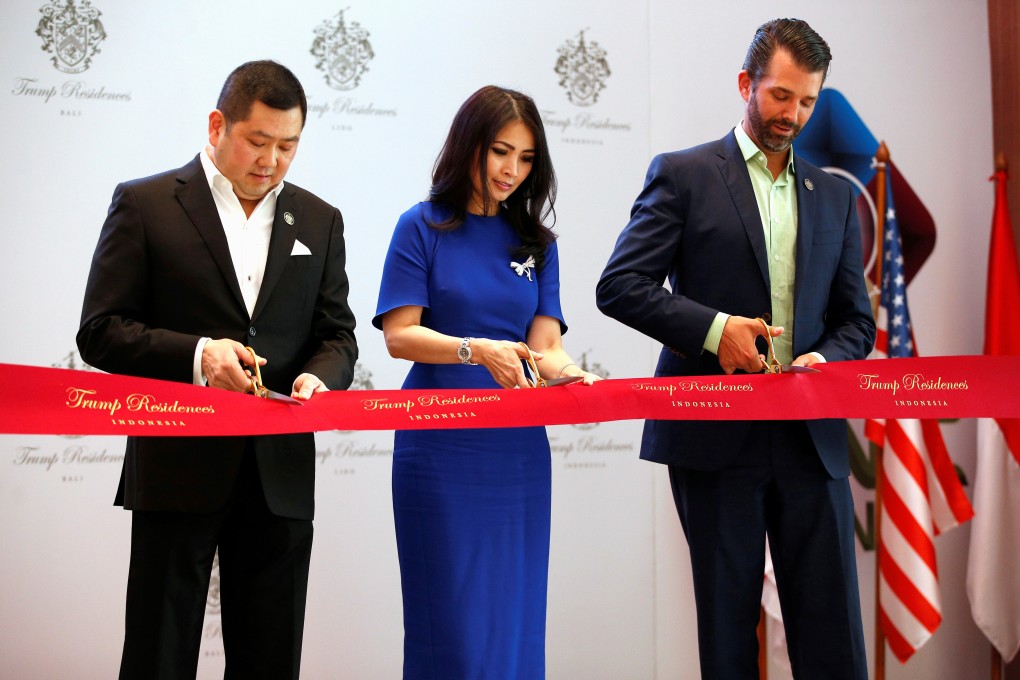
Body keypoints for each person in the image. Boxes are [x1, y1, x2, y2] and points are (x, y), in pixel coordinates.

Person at [596, 19, 874, 680]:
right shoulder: (685, 174)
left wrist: (823, 362)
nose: (793, 115)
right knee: (727, 637)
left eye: (807, 101)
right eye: (781, 96)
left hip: (812, 437)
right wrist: (718, 332)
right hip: (715, 436)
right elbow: (620, 285)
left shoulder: (834, 196)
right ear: (747, 84)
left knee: (833, 635)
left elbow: (855, 323)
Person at [77, 60, 358, 679]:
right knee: (159, 653)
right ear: (217, 125)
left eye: (289, 146)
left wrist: (322, 377)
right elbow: (101, 332)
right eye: (258, 141)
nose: (273, 160)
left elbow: (337, 334)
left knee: (271, 658)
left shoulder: (319, 219)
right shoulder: (145, 203)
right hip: (178, 464)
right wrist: (201, 355)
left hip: (279, 472)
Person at [374, 85, 600, 679]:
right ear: (468, 145)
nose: (511, 170)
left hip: (517, 450)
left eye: (526, 159)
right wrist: (476, 352)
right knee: (448, 617)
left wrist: (579, 378)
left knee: (514, 615)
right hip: (439, 443)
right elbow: (399, 336)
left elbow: (545, 347)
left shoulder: (538, 244)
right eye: (501, 152)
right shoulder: (419, 226)